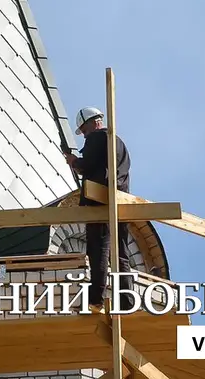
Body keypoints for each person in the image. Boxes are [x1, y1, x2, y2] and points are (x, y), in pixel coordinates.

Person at [61, 106, 131, 310]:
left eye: (84, 130)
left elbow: (88, 166)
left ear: (94, 123)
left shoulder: (97, 138)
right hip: (120, 202)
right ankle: (126, 300)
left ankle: (96, 298)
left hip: (99, 201)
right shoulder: (118, 143)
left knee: (98, 249)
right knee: (121, 253)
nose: (84, 135)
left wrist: (74, 161)